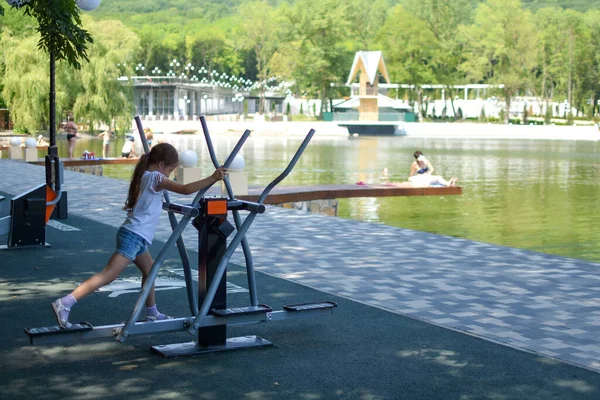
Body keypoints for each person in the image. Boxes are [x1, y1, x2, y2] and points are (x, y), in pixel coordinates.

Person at [51, 143, 228, 328]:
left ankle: (152, 312)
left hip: (137, 237)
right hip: (133, 236)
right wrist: (212, 178)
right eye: (170, 170)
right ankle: (66, 302)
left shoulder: (146, 176)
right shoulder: (156, 177)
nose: (168, 174)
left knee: (150, 272)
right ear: (161, 165)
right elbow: (184, 190)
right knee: (109, 275)